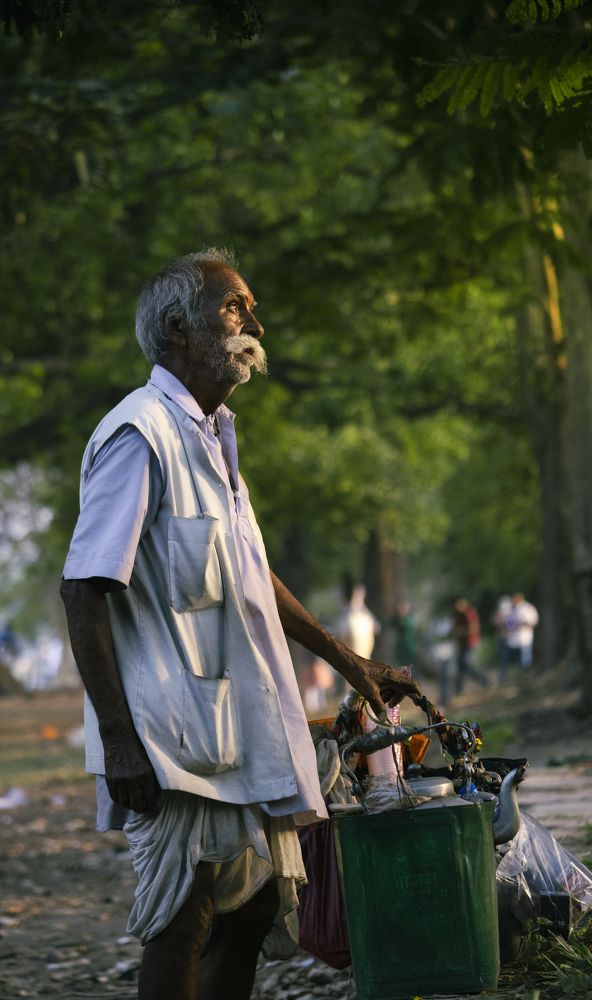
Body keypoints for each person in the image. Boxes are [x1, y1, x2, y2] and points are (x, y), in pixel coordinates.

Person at [60, 249, 421, 1000]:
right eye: (233, 308)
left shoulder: (214, 433)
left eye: (248, 307)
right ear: (175, 329)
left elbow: (252, 575)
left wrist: (351, 660)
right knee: (183, 920)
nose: (252, 323)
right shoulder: (140, 434)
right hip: (172, 740)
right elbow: (83, 588)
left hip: (241, 732)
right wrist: (120, 739)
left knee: (253, 911)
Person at [453, 597, 489, 694]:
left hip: (470, 642)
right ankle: (459, 689)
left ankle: (484, 679)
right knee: (460, 665)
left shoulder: (469, 613)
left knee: (467, 663)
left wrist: (462, 631)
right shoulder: (458, 615)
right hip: (462, 643)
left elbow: (474, 628)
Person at [506, 593, 539, 669]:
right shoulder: (512, 609)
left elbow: (534, 621)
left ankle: (526, 670)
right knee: (516, 657)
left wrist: (524, 623)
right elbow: (509, 623)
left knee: (526, 655)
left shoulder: (528, 608)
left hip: (525, 637)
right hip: (515, 639)